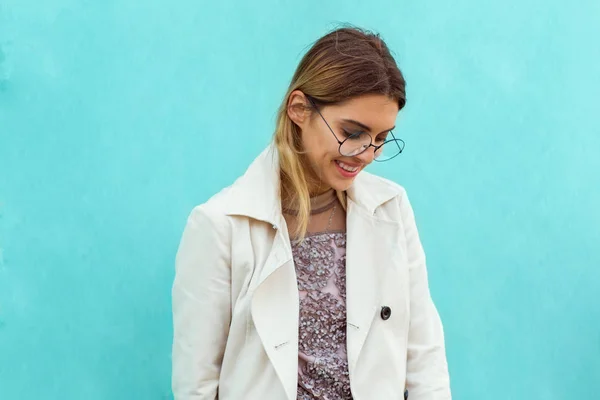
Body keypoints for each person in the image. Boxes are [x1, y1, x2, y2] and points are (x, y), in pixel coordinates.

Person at [172, 26, 451, 400]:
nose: (367, 154)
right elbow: (197, 385)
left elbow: (423, 352)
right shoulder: (220, 225)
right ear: (299, 108)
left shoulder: (392, 209)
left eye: (382, 138)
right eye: (353, 132)